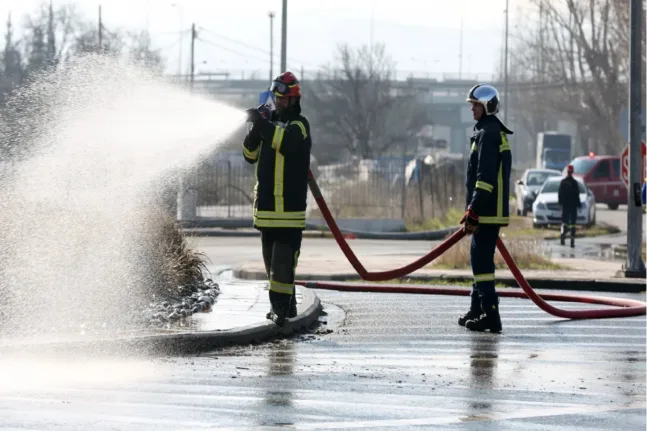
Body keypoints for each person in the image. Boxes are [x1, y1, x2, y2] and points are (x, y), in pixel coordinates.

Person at [241, 71, 312, 327]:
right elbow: (249, 155)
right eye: (276, 97)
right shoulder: (266, 125)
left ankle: (280, 315)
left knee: (282, 268)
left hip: (289, 214)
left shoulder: (300, 126)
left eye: (283, 98)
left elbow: (285, 143)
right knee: (273, 267)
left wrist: (262, 124)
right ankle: (288, 309)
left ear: (293, 100)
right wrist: (253, 127)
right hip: (267, 212)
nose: (278, 102)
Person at [458, 84, 513, 333]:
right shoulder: (488, 131)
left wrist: (473, 209)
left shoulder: (488, 134)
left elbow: (485, 179)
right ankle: (477, 308)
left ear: (487, 106)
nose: (472, 109)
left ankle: (491, 315)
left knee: (481, 262)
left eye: (476, 105)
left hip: (487, 210)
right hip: (487, 210)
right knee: (478, 259)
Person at [558, 164, 581, 248]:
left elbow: (560, 194)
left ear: (567, 171)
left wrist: (560, 203)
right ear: (572, 172)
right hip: (573, 206)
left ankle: (563, 235)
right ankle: (572, 239)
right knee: (573, 224)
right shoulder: (575, 183)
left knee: (564, 222)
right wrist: (578, 204)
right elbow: (577, 194)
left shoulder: (563, 182)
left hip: (565, 206)